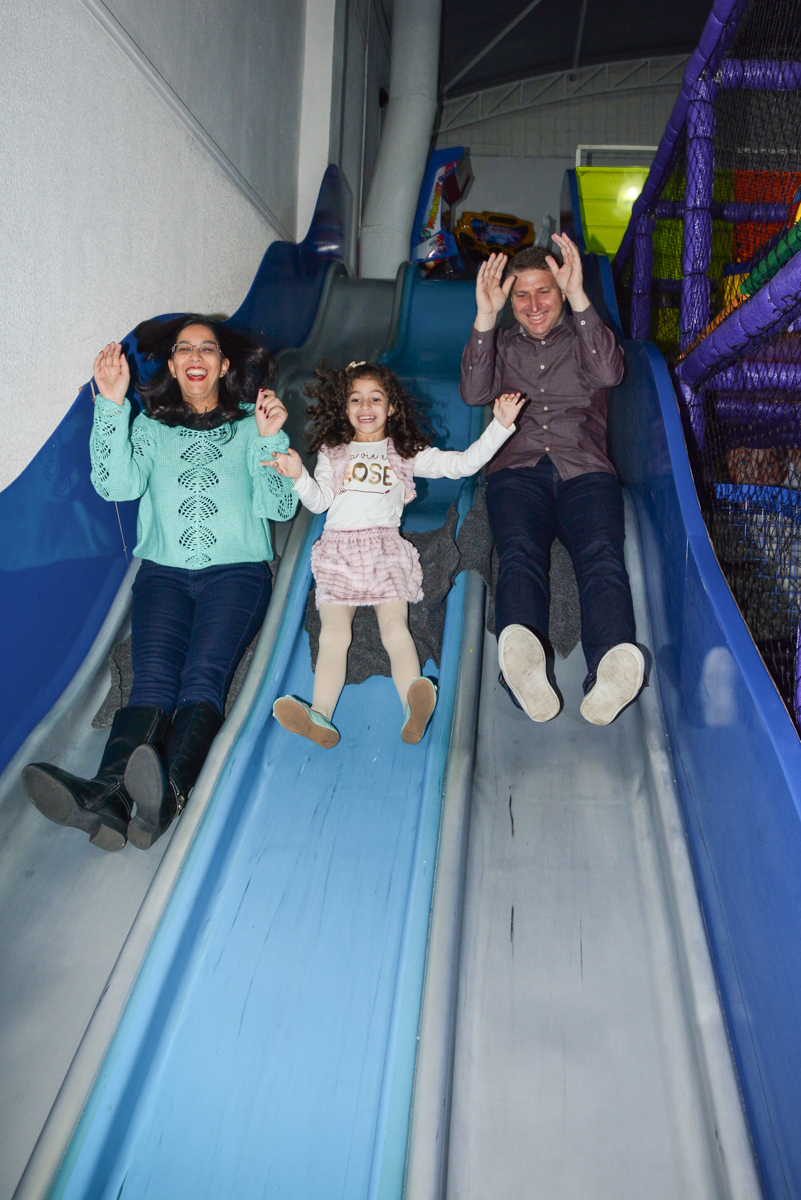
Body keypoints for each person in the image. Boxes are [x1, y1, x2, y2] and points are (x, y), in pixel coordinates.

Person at [23, 315, 299, 851]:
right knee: (150, 681)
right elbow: (115, 485)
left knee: (202, 677)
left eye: (208, 348)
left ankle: (167, 793)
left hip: (236, 576)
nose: (196, 356)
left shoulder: (250, 425)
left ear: (222, 364)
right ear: (172, 364)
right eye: (184, 349)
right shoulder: (150, 427)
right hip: (162, 577)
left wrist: (272, 441)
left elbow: (279, 504)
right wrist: (110, 403)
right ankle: (109, 795)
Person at [268, 361, 523, 748]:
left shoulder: (404, 452)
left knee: (395, 630)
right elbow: (319, 503)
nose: (365, 405)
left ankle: (412, 707)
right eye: (356, 398)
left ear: (392, 408)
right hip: (339, 552)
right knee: (334, 634)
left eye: (375, 397)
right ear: (344, 406)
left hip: (385, 550)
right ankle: (319, 716)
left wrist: (500, 426)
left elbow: (462, 465)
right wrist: (298, 475)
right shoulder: (333, 452)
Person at [460, 235, 644, 725]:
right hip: (517, 473)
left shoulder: (586, 335)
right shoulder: (498, 344)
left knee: (601, 555)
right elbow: (474, 392)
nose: (534, 304)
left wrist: (581, 297)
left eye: (544, 291)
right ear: (509, 300)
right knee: (518, 553)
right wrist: (485, 317)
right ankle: (522, 670)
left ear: (561, 292)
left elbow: (610, 372)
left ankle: (608, 669)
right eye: (521, 294)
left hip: (584, 470)